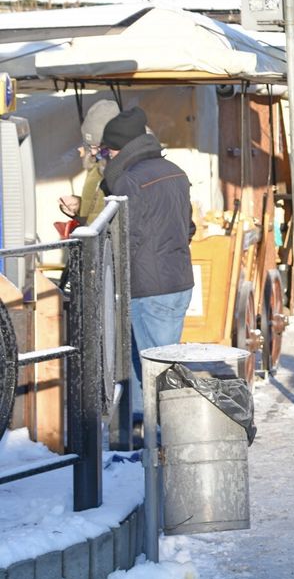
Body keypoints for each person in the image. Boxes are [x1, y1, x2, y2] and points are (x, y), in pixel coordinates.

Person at [99, 107, 195, 389]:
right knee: (148, 367)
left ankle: (163, 431)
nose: (108, 156)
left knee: (157, 373)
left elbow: (122, 237)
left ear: (122, 148)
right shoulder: (175, 172)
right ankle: (143, 429)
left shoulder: (129, 180)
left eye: (110, 151)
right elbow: (188, 228)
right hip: (178, 281)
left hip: (149, 288)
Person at [59, 100, 119, 227]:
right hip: (95, 233)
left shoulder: (124, 168)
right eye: (89, 145)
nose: (92, 151)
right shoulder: (99, 161)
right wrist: (77, 207)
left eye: (98, 146)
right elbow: (96, 202)